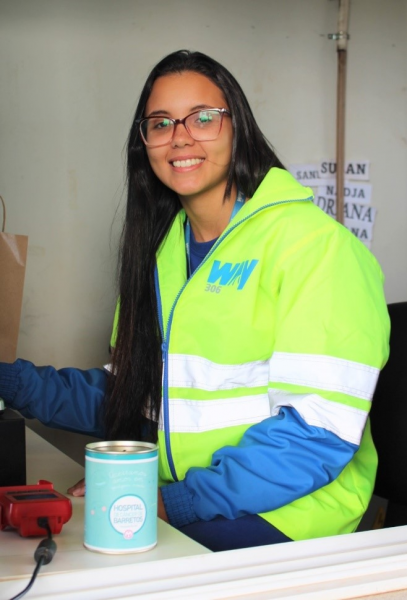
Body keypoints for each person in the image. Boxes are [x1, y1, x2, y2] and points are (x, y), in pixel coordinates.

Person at [0, 50, 389, 552]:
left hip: (295, 516)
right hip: (200, 496)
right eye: (160, 123)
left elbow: (315, 436)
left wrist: (172, 502)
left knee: (106, 564)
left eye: (203, 118)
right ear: (144, 143)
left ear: (238, 127)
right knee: (62, 547)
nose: (180, 137)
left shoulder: (316, 247)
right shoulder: (164, 252)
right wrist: (11, 381)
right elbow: (135, 394)